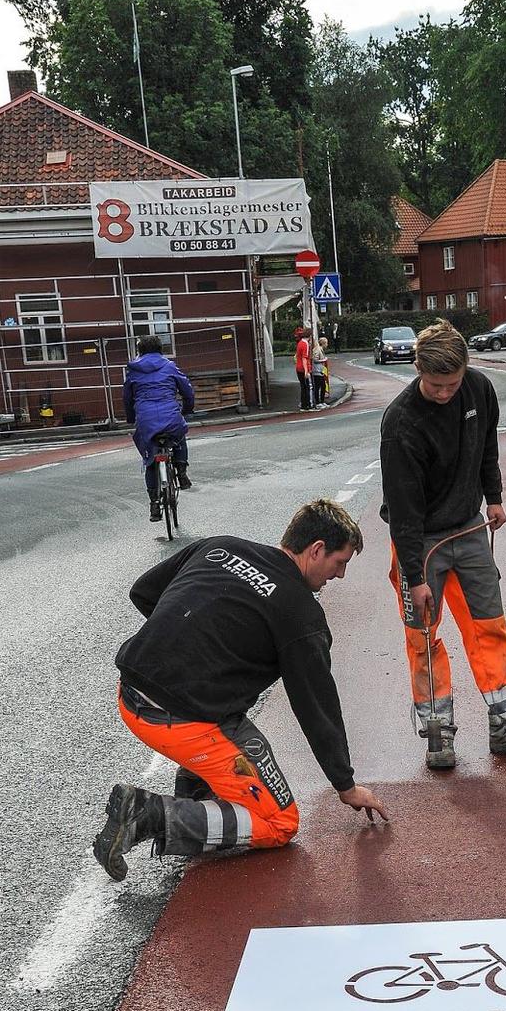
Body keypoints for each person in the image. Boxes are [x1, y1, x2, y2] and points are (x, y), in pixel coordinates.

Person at [92, 500, 387, 881]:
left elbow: (144, 591)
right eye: (340, 562)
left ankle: (195, 793)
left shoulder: (221, 546)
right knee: (280, 822)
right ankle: (147, 814)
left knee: (225, 715)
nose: (341, 574)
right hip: (181, 721)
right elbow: (316, 707)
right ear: (316, 550)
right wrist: (345, 785)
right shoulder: (300, 614)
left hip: (129, 693)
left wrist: (192, 648)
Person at [380, 319, 506, 771]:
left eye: (452, 384)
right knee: (423, 638)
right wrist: (415, 577)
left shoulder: (478, 390)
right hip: (420, 542)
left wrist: (494, 497)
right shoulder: (401, 423)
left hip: (470, 530)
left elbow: (486, 448)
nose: (445, 393)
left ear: (466, 370)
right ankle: (438, 733)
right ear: (419, 371)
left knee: (490, 626)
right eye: (436, 385)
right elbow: (403, 512)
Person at [123, 335, 194, 523]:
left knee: (150, 458)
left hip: (146, 420)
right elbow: (187, 390)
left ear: (140, 350)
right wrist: (187, 409)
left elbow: (127, 398)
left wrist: (131, 418)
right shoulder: (169, 366)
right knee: (180, 434)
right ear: (160, 348)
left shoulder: (132, 370)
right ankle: (181, 471)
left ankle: (154, 503)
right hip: (170, 416)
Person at [295, 327, 313, 410]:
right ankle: (307, 404)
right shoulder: (305, 344)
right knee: (307, 387)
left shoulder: (300, 343)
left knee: (303, 387)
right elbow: (304, 358)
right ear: (309, 336)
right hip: (303, 368)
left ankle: (303, 404)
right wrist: (306, 371)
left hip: (298, 368)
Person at [312, 336, 329, 408]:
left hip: (320, 371)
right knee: (318, 387)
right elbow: (314, 360)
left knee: (323, 386)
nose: (327, 345)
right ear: (323, 343)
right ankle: (318, 402)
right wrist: (323, 360)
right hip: (317, 371)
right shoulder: (317, 350)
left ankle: (321, 401)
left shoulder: (320, 349)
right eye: (326, 343)